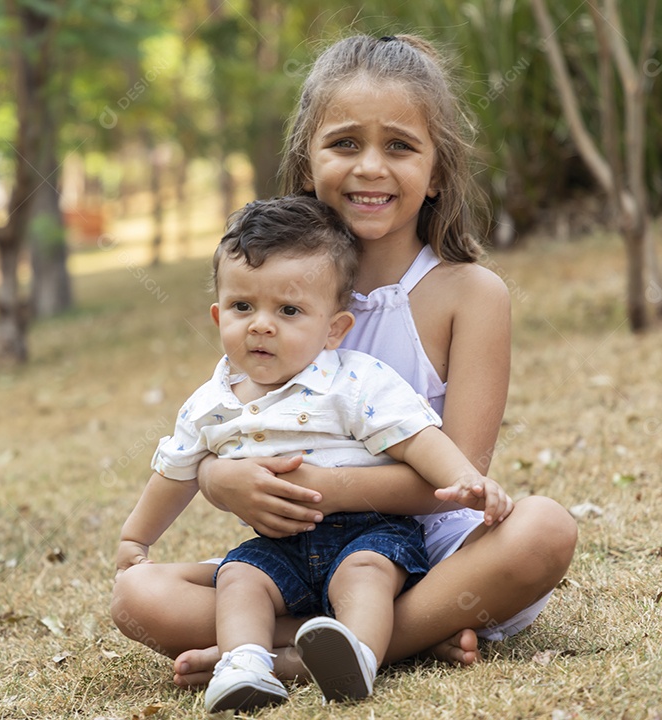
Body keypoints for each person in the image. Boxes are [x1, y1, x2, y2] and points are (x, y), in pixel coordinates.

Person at [111, 32, 578, 688]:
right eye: (344, 143)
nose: (369, 168)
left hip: (429, 551)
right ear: (307, 163)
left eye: (400, 146)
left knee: (545, 530)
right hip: (296, 554)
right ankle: (390, 636)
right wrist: (217, 479)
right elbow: (230, 420)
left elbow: (456, 482)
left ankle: (315, 648)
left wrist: (321, 492)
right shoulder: (276, 292)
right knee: (137, 598)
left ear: (438, 169)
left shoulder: (470, 295)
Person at [115, 196, 514, 712]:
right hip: (282, 546)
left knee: (365, 573)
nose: (261, 325)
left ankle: (361, 655)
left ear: (333, 329)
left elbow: (415, 437)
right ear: (218, 317)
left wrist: (464, 478)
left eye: (288, 311)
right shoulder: (208, 404)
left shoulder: (350, 380)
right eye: (243, 307)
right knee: (240, 578)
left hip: (370, 531)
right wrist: (134, 539)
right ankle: (245, 664)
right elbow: (175, 473)